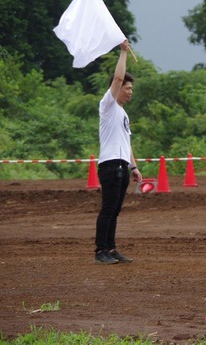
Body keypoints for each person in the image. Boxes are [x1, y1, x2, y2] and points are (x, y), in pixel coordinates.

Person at [94, 39, 142, 264]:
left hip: (121, 165)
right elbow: (118, 77)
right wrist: (123, 51)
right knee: (108, 208)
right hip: (110, 165)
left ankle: (111, 249)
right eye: (128, 87)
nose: (130, 91)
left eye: (132, 88)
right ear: (118, 89)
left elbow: (127, 141)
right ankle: (100, 250)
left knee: (115, 210)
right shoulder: (108, 104)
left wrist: (133, 166)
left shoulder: (122, 113)